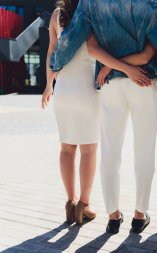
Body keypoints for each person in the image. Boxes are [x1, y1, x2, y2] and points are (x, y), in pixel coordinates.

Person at [49, 0, 157, 235]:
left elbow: (74, 42)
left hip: (110, 83)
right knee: (144, 151)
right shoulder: (154, 3)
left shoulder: (91, 4)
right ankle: (140, 216)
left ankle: (113, 216)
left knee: (110, 152)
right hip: (144, 81)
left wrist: (55, 62)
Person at [41, 0, 98, 225]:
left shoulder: (57, 15)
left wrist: (48, 86)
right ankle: (84, 205)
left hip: (63, 89)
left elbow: (50, 53)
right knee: (89, 150)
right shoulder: (93, 11)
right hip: (87, 89)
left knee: (66, 148)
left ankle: (70, 202)